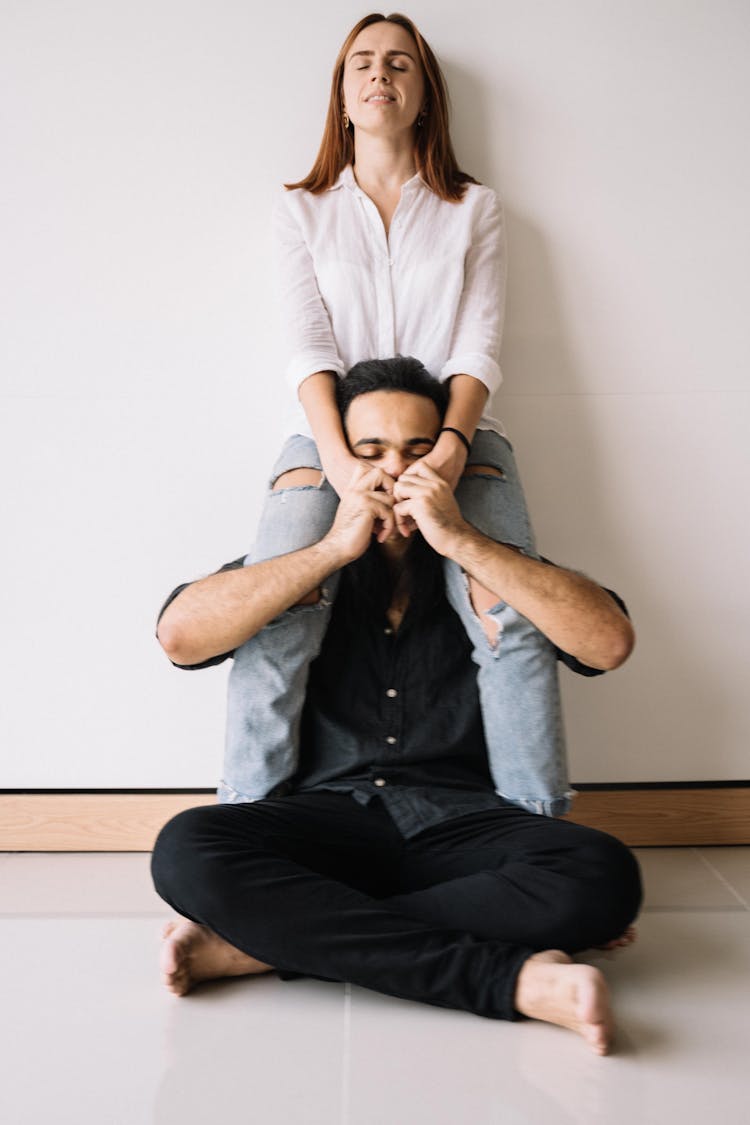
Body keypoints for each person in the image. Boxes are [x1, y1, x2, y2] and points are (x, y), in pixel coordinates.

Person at [152, 357, 641, 1055]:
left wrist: (461, 538)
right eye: (369, 451)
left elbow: (610, 641)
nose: (394, 471)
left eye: (417, 450)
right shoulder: (296, 563)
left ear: (448, 456)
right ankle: (507, 979)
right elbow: (178, 635)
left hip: (467, 827)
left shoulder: (489, 567)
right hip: (326, 820)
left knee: (603, 875)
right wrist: (331, 548)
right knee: (186, 850)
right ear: (338, 460)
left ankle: (261, 945)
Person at [242, 12, 568, 814]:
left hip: (455, 431)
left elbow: (478, 346)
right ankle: (242, 840)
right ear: (343, 93)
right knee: (273, 609)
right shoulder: (301, 209)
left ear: (423, 95)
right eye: (362, 63)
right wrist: (343, 463)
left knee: (513, 615)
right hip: (328, 435)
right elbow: (309, 349)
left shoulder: (474, 208)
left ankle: (542, 840)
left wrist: (453, 446)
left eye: (398, 64)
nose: (378, 74)